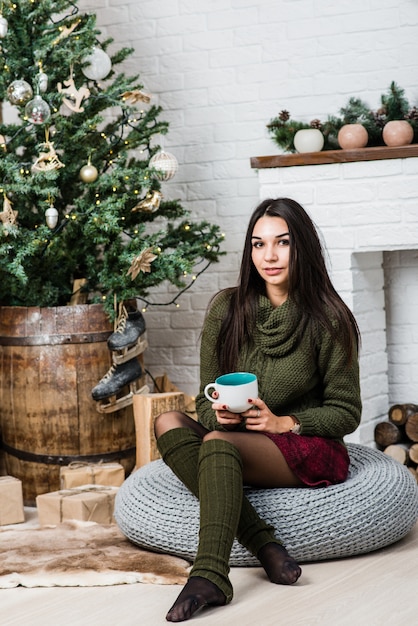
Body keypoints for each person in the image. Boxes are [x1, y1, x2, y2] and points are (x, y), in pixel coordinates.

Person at [154, 197, 362, 622]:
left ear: (301, 247)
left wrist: (285, 422)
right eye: (258, 244)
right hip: (241, 437)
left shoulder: (328, 317)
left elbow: (347, 411)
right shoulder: (226, 310)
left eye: (282, 243)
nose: (269, 255)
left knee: (215, 443)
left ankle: (210, 574)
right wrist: (221, 417)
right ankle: (266, 545)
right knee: (168, 421)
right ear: (249, 251)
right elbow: (205, 401)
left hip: (306, 444)